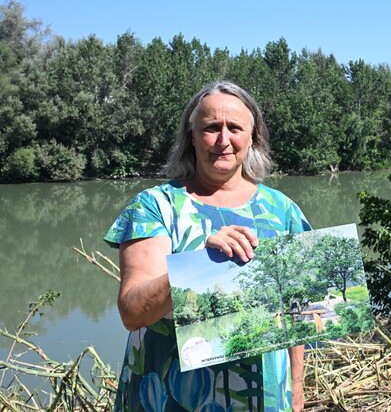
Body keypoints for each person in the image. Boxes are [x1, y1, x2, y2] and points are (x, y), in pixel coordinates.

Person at [104, 81, 310, 412]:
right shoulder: (156, 206)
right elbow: (132, 311)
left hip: (262, 397)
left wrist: (296, 388)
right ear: (191, 137)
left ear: (252, 138)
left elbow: (296, 315)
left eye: (235, 128)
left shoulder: (282, 210)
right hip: (167, 396)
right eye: (211, 128)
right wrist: (203, 261)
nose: (223, 140)